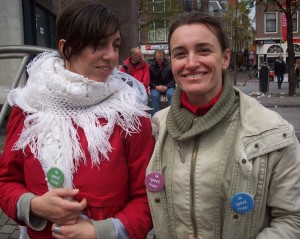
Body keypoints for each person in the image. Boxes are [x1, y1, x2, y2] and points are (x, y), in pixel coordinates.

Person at [0, 1, 154, 239]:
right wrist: (32, 205)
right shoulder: (29, 107)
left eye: (115, 45)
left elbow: (148, 198)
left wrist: (100, 232)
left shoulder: (129, 115)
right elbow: (6, 181)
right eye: (98, 44)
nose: (112, 56)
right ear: (66, 47)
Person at [146, 12, 300, 239]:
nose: (191, 63)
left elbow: (292, 219)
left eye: (203, 50)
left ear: (225, 58)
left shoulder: (273, 133)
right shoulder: (157, 127)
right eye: (180, 54)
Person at [149, 49, 175, 115]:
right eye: (158, 59)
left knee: (171, 94)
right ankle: (155, 117)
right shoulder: (150, 66)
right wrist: (156, 87)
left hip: (168, 86)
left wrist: (167, 86)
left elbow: (173, 79)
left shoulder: (170, 65)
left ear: (164, 57)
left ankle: (172, 116)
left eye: (161, 58)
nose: (159, 60)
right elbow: (149, 80)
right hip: (155, 87)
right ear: (154, 57)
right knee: (154, 96)